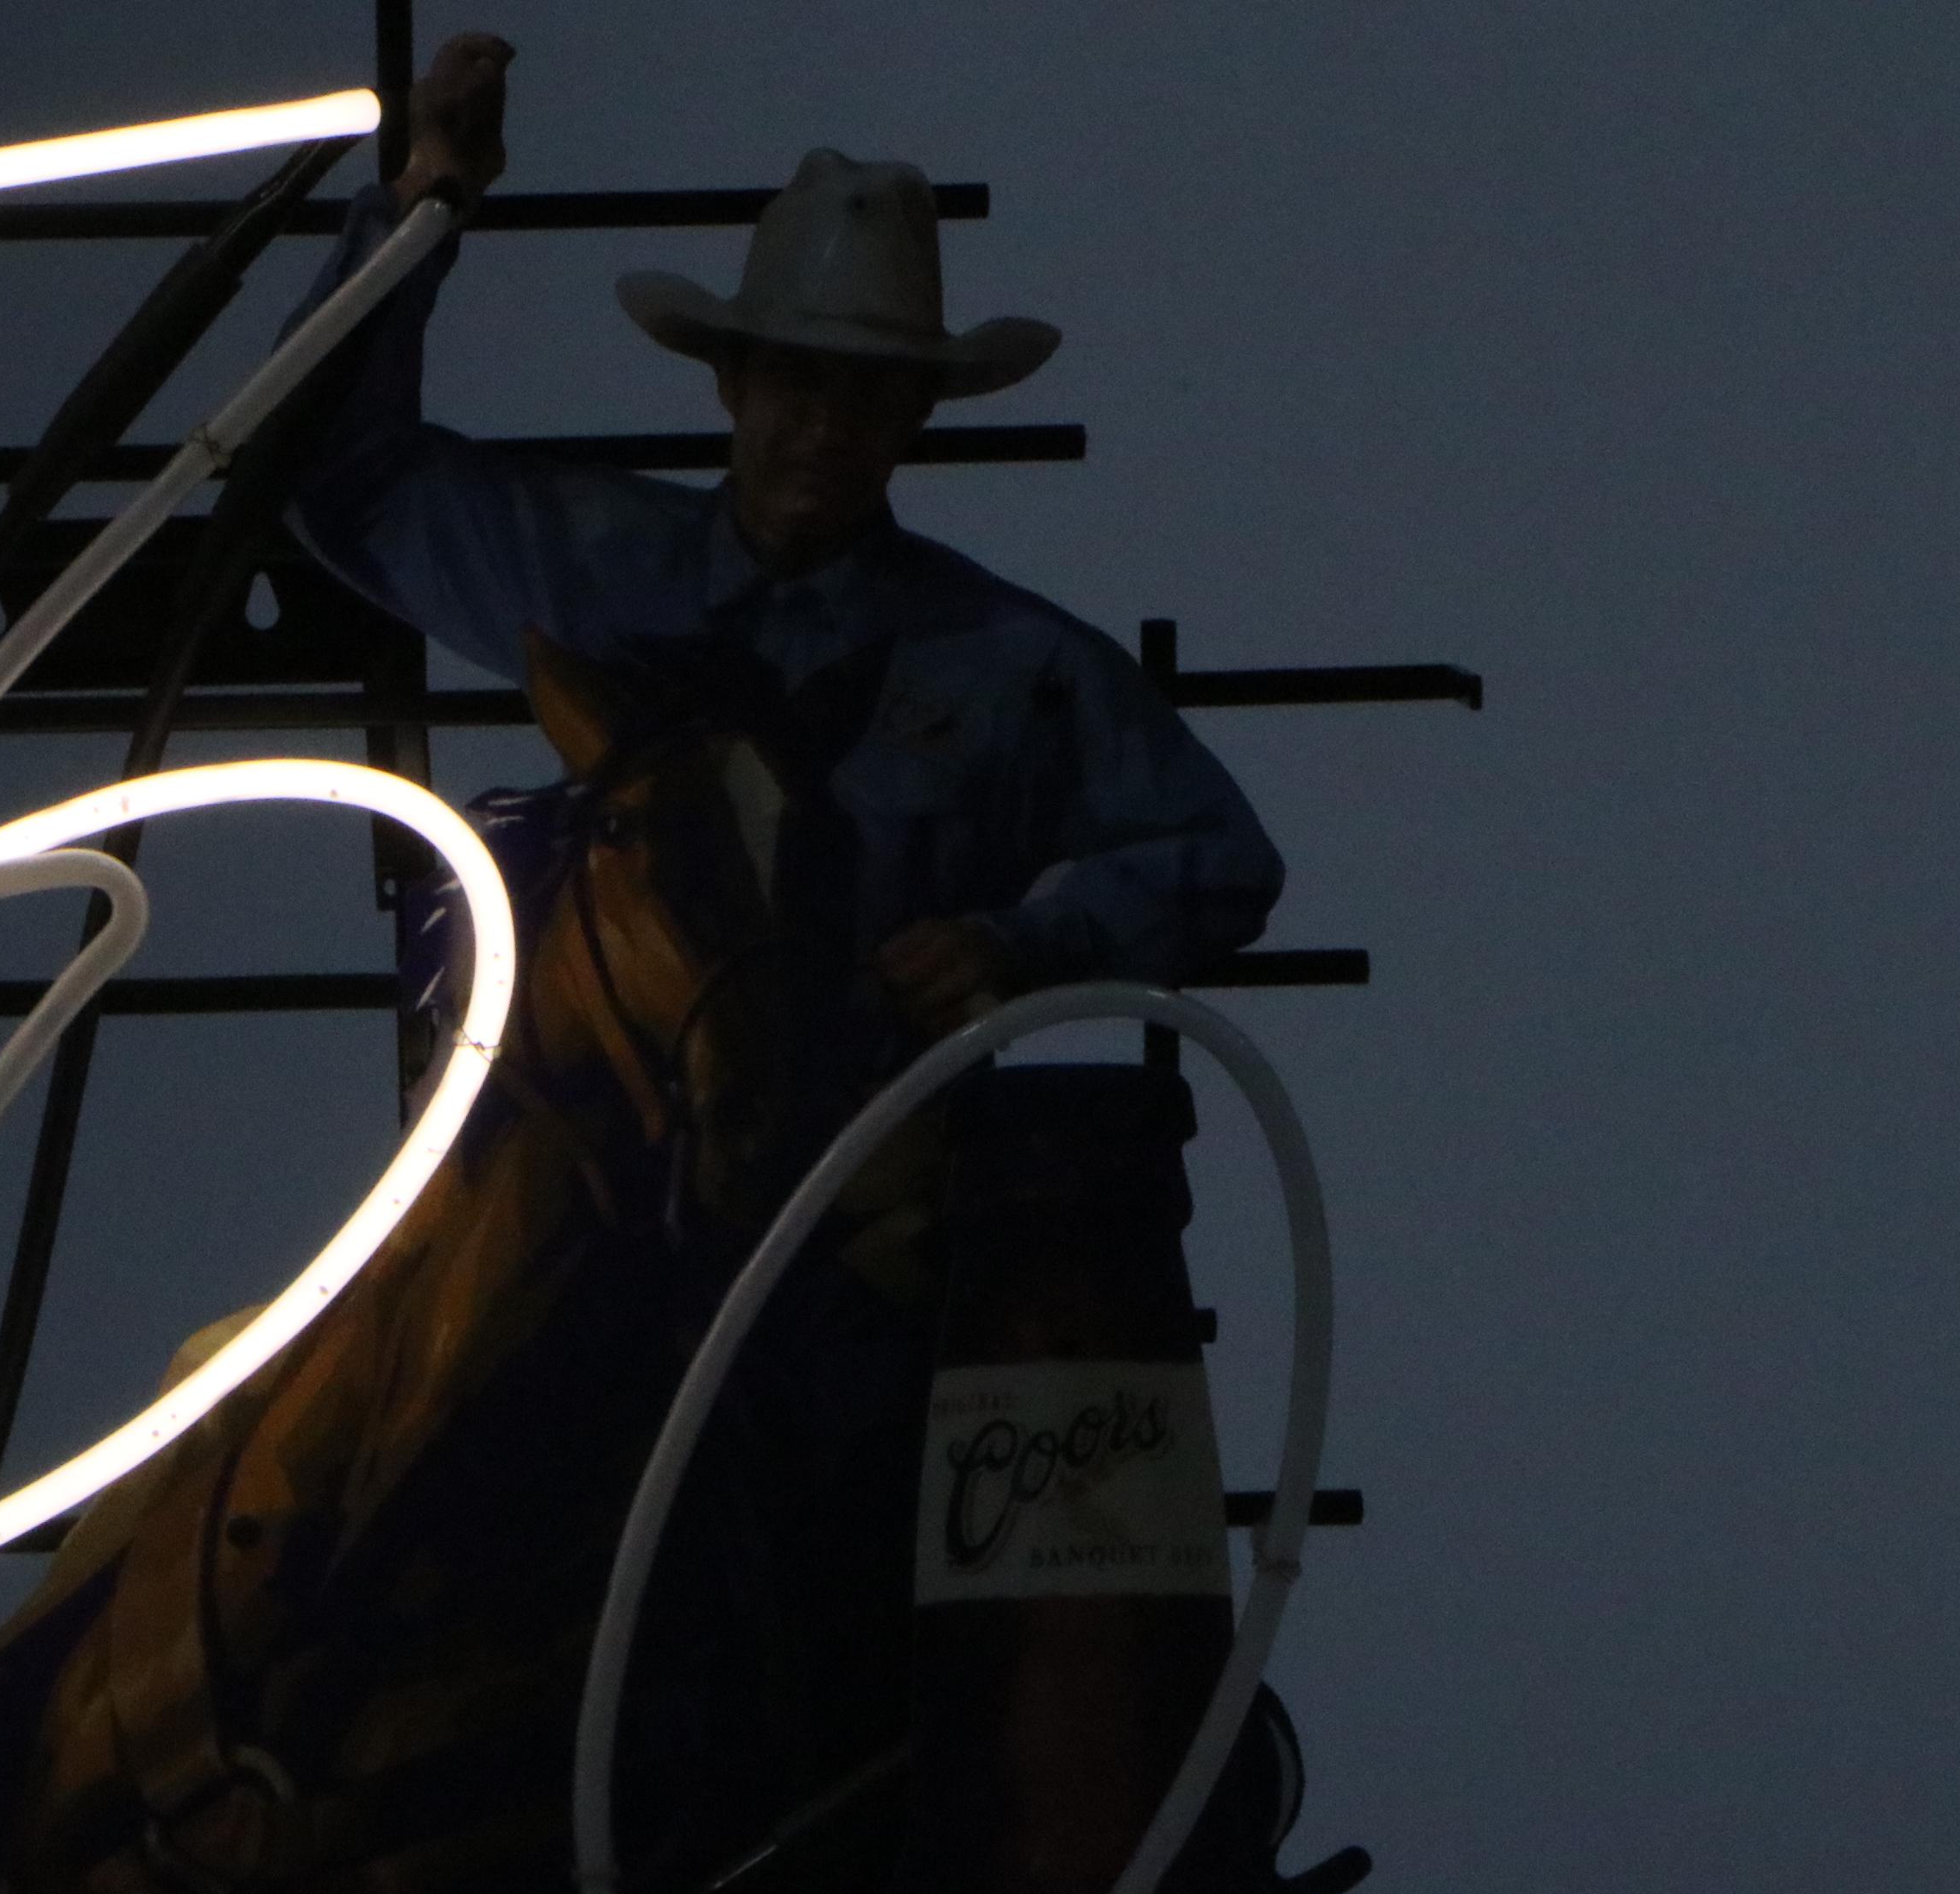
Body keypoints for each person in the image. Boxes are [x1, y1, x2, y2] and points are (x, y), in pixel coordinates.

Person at [286, 33, 1285, 1108]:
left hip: (873, 1189)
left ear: (915, 416)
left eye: (867, 394)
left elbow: (1223, 855)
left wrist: (1024, 946)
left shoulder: (1008, 669)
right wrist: (425, 205)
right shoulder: (603, 563)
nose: (824, 428)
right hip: (624, 1184)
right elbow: (331, 474)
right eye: (799, 383)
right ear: (733, 382)